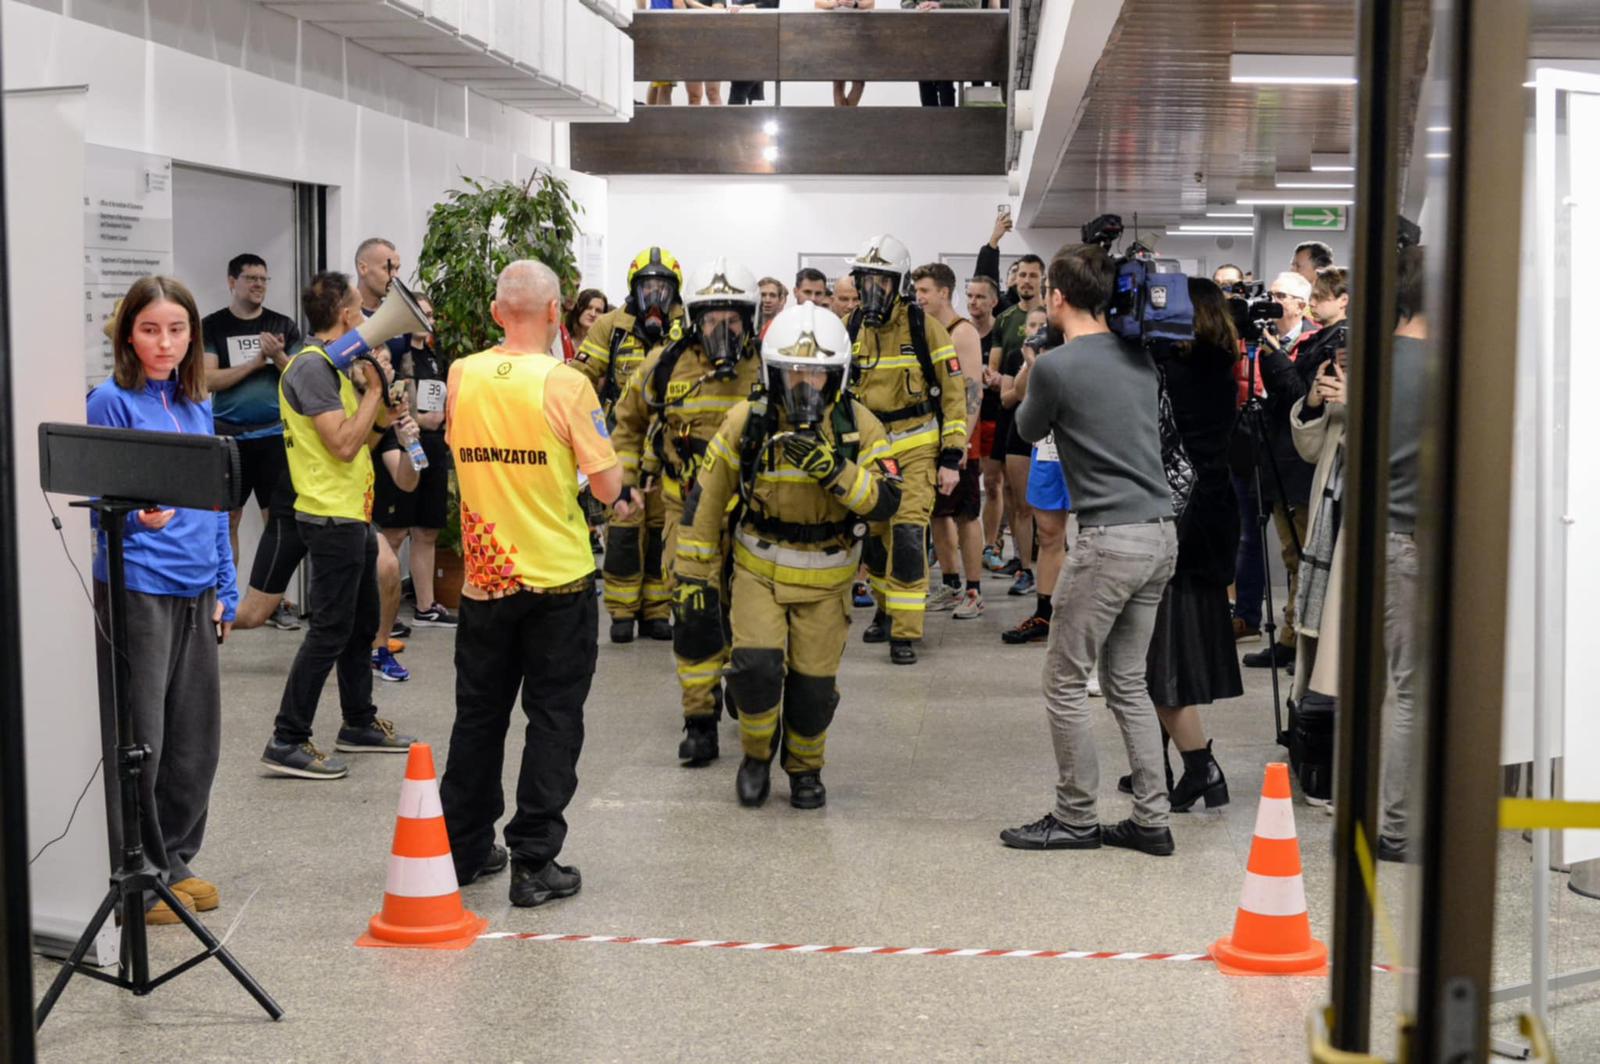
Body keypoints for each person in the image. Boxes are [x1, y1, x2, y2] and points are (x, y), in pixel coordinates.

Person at [439, 259, 624, 907]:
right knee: (553, 719)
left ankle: (463, 850)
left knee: (478, 718)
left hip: (486, 582)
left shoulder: (461, 375)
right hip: (560, 583)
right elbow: (607, 486)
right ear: (556, 314)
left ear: (495, 313)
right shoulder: (567, 383)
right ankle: (534, 862)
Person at [675, 303, 901, 808]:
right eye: (795, 371)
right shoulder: (747, 421)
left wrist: (835, 471)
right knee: (753, 671)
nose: (805, 384)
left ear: (836, 377)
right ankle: (756, 756)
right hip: (758, 568)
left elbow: (888, 500)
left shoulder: (858, 427)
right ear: (774, 374)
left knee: (813, 690)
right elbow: (705, 502)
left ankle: (804, 769)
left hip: (828, 577)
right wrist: (691, 576)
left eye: (818, 374)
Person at [999, 243, 1178, 858]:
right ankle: (1152, 818)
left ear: (1056, 297)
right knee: (1127, 680)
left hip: (1109, 541)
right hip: (1159, 534)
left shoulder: (1056, 365)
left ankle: (1075, 816)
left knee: (1064, 681)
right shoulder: (1141, 358)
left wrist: (1028, 371)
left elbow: (1025, 429)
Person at [88, 276, 239, 925]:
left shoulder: (194, 400)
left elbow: (212, 501)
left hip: (195, 588)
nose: (165, 342)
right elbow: (94, 501)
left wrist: (224, 585)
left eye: (176, 330)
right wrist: (126, 517)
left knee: (194, 741)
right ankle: (140, 878)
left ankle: (175, 858)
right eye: (150, 329)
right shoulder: (111, 401)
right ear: (128, 334)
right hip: (138, 590)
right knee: (140, 739)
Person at [261, 271, 418, 780]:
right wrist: (374, 393)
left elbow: (360, 445)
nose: (369, 316)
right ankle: (287, 738)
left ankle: (358, 722)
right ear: (348, 316)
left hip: (350, 513)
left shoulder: (333, 368)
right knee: (329, 631)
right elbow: (342, 446)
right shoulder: (311, 370)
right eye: (361, 308)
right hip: (329, 517)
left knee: (358, 628)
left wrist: (382, 414)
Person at [609, 258, 764, 765]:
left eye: (733, 317)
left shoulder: (768, 366)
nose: (723, 328)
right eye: (712, 317)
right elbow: (628, 422)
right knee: (694, 613)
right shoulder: (665, 363)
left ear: (750, 319)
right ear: (694, 318)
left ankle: (744, 685)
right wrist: (626, 481)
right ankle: (699, 720)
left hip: (754, 513)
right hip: (687, 508)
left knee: (747, 612)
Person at [1117, 278, 1243, 811]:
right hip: (1212, 512)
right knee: (1173, 648)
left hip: (1179, 517)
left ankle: (1200, 769)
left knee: (1160, 660)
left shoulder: (1174, 369)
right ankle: (1157, 763)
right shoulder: (1218, 362)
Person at [847, 234, 968, 665]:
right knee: (876, 538)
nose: (872, 292)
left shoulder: (924, 328)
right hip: (871, 452)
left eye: (882, 282)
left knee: (908, 534)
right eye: (867, 282)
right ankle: (884, 609)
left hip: (917, 446)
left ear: (898, 284)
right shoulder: (850, 328)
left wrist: (952, 456)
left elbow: (953, 396)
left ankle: (906, 630)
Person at [576, 247, 688, 643]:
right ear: (634, 289)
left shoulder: (686, 326)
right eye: (647, 286)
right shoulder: (611, 326)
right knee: (623, 526)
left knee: (659, 526)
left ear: (674, 290)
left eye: (663, 287)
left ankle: (656, 612)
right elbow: (582, 376)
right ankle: (622, 613)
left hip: (669, 443)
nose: (655, 295)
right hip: (621, 440)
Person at [200, 255, 302, 611]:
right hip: (228, 438)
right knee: (228, 518)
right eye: (251, 278)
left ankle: (273, 603)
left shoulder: (281, 325)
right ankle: (225, 600)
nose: (259, 285)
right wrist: (254, 364)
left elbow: (302, 376)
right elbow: (208, 379)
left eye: (263, 279)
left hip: (274, 437)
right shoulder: (213, 326)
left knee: (277, 520)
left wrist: (277, 358)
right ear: (232, 282)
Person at [1241, 270, 1320, 670]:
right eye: (1269, 294)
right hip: (1271, 460)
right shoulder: (1260, 344)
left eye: (1280, 296)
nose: (1271, 302)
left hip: (1303, 466)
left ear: (1301, 305)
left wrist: (1273, 354)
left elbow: (1298, 399)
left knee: (1307, 556)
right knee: (1290, 555)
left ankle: (1303, 639)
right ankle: (1289, 635)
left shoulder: (1317, 343)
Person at [372, 293, 455, 637]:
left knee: (427, 530)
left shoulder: (438, 358)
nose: (427, 319)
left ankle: (425, 606)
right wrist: (420, 420)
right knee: (394, 532)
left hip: (434, 448)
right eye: (420, 313)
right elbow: (391, 401)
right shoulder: (395, 354)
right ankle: (381, 616)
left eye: (431, 314)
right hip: (401, 441)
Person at [912, 263, 986, 618]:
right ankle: (952, 584)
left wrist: (960, 446)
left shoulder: (963, 332)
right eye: (917, 291)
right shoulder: (926, 331)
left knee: (966, 515)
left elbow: (973, 393)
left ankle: (974, 590)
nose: (919, 297)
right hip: (931, 439)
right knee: (937, 515)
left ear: (944, 292)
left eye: (925, 291)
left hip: (959, 440)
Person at [998, 306, 1062, 646]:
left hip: (1078, 455)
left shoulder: (1077, 346)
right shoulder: (1032, 354)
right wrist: (1030, 360)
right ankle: (1044, 612)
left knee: (1088, 539)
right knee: (1050, 535)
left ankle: (1079, 616)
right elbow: (1020, 395)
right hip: (1046, 451)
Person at [988, 254, 1045, 597]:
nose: (1035, 333)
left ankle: (1052, 563)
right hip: (1018, 428)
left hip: (1051, 434)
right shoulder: (1015, 355)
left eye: (1042, 327)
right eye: (1032, 328)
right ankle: (1025, 566)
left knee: (1051, 509)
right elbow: (1009, 397)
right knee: (1020, 503)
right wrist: (1028, 366)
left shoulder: (1061, 353)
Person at [816, 0, 870, 105]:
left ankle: (843, 119)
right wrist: (833, 4)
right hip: (836, 34)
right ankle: (844, 119)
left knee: (859, 83)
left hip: (859, 36)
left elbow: (870, 4)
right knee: (838, 82)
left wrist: (855, 4)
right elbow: (818, 3)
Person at [565, 288, 609, 352]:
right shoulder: (562, 338)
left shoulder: (605, 345)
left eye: (598, 311)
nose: (593, 314)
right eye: (588, 308)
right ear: (578, 308)